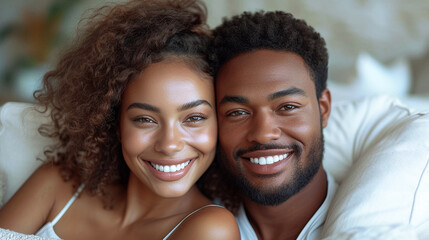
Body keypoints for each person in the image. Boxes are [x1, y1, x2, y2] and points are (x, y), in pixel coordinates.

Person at [0, 0, 240, 239]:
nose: (169, 144)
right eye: (145, 119)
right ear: (114, 124)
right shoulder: (57, 184)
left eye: (194, 118)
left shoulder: (211, 228)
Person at [208, 10, 337, 240]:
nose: (264, 134)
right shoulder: (191, 223)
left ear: (323, 109)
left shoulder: (378, 223)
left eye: (287, 107)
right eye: (237, 112)